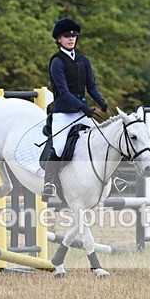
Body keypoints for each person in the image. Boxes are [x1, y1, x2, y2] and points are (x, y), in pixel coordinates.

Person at [42, 18, 108, 199]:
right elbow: (63, 92)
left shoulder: (83, 60)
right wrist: (82, 106)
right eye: (66, 36)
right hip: (63, 113)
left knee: (103, 139)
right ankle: (49, 182)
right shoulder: (57, 62)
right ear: (58, 39)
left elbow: (91, 86)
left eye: (73, 36)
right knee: (59, 148)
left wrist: (100, 101)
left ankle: (112, 177)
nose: (71, 39)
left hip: (82, 112)